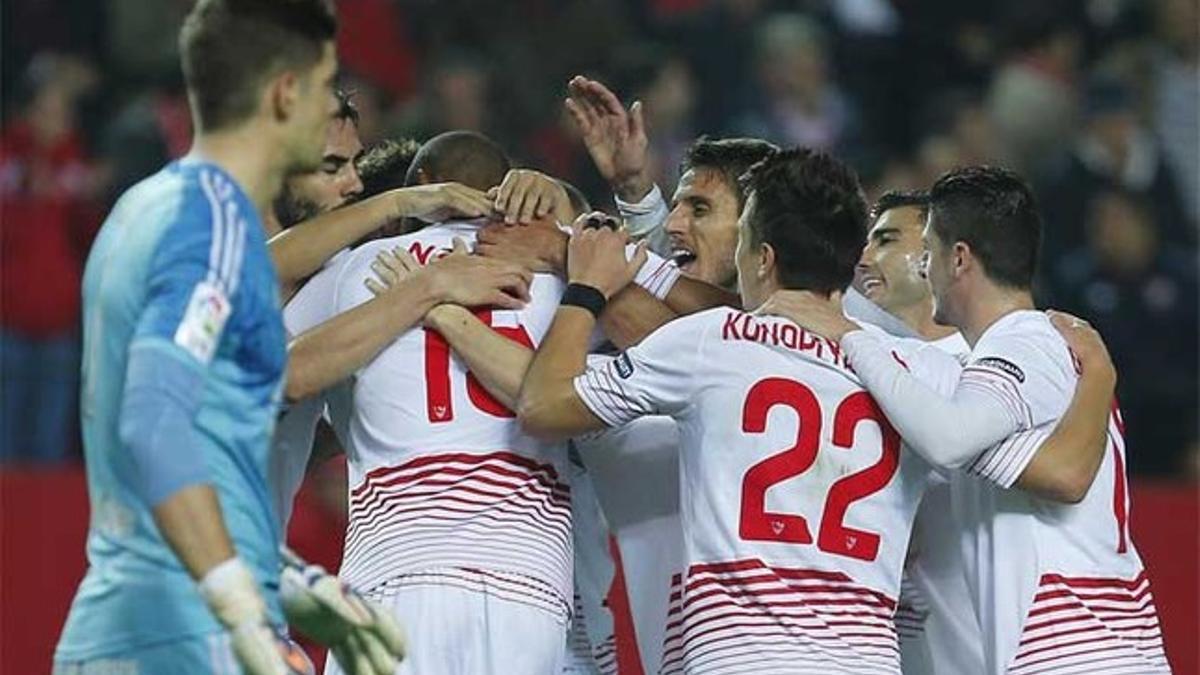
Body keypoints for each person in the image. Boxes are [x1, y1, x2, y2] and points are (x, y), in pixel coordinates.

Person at [515, 150, 1118, 673]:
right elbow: (1053, 472)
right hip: (869, 658)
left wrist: (585, 288)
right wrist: (1101, 383)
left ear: (762, 259)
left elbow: (543, 404)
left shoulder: (712, 340)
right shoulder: (918, 373)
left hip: (736, 658)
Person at [284, 131, 682, 674]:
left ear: (424, 187)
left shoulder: (360, 268)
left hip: (394, 574)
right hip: (529, 588)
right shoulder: (554, 264)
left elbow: (269, 365)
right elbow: (673, 342)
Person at [765, 166, 1169, 673]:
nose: (926, 268)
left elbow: (952, 439)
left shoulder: (1022, 344)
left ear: (959, 259)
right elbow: (1054, 468)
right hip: (1099, 646)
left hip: (1074, 646)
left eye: (929, 251)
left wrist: (848, 335)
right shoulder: (1012, 358)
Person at [53, 1, 349, 673]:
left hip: (125, 622)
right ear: (285, 92)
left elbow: (208, 442)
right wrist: (238, 601)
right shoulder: (214, 225)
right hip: (192, 630)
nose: (334, 106)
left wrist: (289, 587)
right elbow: (154, 421)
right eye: (328, 84)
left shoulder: (144, 208)